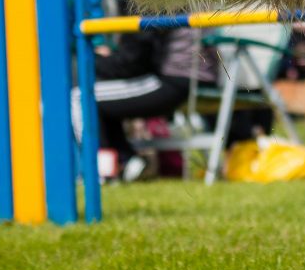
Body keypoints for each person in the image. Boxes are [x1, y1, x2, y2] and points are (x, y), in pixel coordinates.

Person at [89, 11, 217, 182]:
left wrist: (92, 59)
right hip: (197, 79)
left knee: (81, 97)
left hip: (176, 81)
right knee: (100, 96)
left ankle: (101, 172)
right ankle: (126, 160)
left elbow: (134, 61)